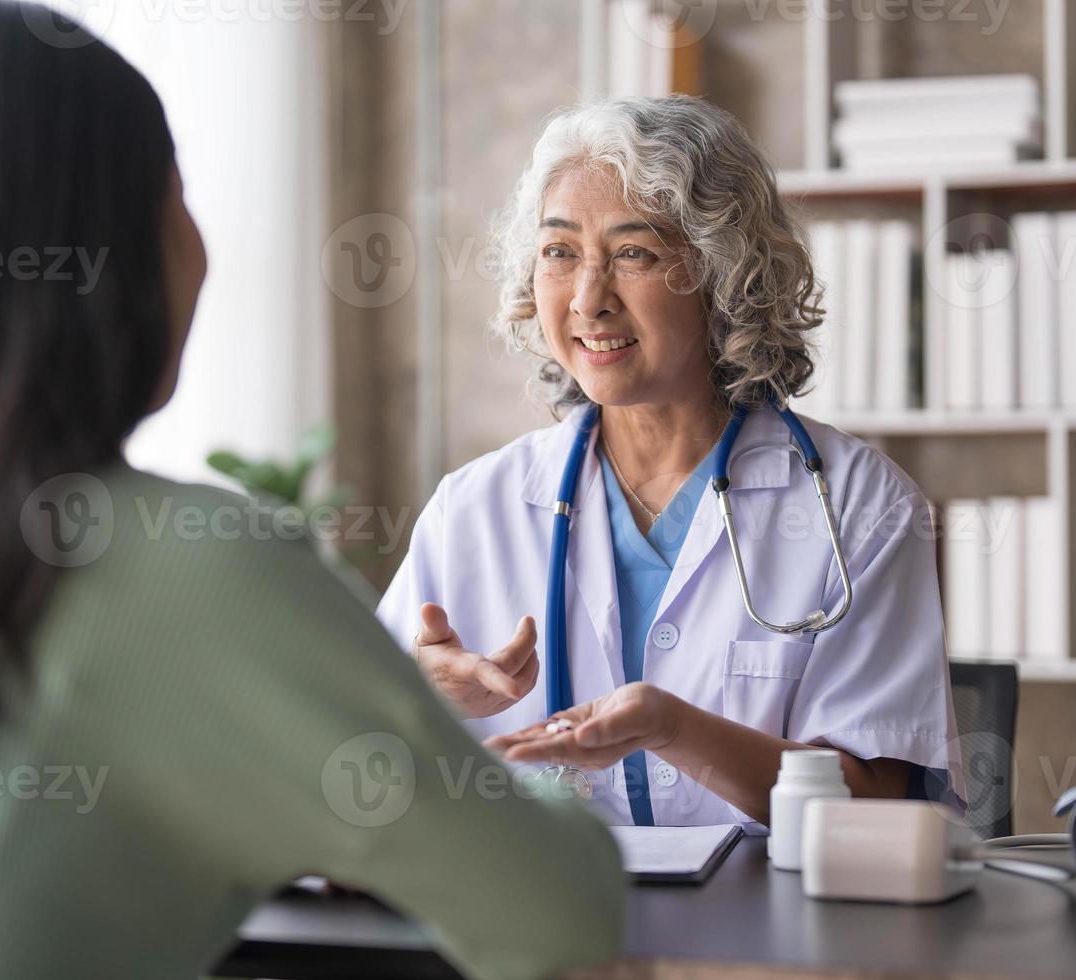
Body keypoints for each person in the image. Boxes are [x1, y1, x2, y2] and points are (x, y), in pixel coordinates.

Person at [0, 4, 623, 978]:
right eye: (174, 196)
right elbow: (558, 910)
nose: (200, 247)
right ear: (100, 259)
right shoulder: (181, 566)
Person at [378, 96, 959, 829]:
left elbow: (877, 803)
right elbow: (347, 766)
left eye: (633, 254)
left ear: (726, 274)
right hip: (541, 929)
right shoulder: (472, 510)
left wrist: (673, 729)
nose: (589, 299)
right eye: (560, 252)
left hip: (774, 936)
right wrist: (417, 700)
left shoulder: (860, 505)